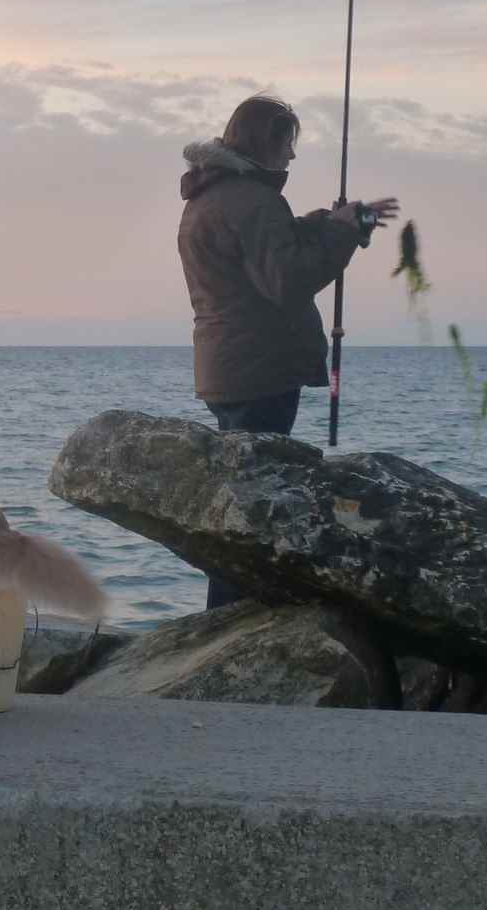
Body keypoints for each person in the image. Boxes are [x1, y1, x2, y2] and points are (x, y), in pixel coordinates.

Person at [176, 94, 396, 606]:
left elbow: (278, 244)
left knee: (243, 493)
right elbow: (289, 280)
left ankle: (227, 610)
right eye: (287, 143)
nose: (292, 157)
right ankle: (233, 613)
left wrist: (337, 222)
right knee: (254, 504)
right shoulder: (253, 201)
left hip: (228, 368)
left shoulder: (214, 196)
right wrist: (342, 236)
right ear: (264, 141)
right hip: (260, 371)